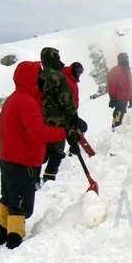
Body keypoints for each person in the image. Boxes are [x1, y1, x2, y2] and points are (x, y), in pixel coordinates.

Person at [0, 60, 78, 249]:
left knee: (8, 197)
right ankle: (14, 240)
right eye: (39, 75)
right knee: (21, 205)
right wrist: (64, 133)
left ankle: (0, 233)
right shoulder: (26, 103)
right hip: (23, 162)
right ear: (30, 79)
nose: (42, 78)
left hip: (8, 159)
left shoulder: (14, 99)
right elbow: (38, 132)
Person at [39, 47, 85, 182]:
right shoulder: (56, 76)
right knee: (57, 150)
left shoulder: (40, 75)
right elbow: (66, 99)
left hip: (41, 118)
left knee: (43, 149)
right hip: (58, 119)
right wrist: (73, 116)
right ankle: (49, 177)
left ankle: (34, 178)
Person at [107, 52, 132, 129]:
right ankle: (115, 127)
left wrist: (131, 96)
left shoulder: (128, 71)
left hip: (125, 97)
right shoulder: (116, 70)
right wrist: (113, 96)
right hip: (119, 97)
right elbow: (112, 84)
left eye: (127, 58)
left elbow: (129, 85)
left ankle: (116, 127)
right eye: (124, 58)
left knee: (121, 112)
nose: (126, 60)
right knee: (119, 111)